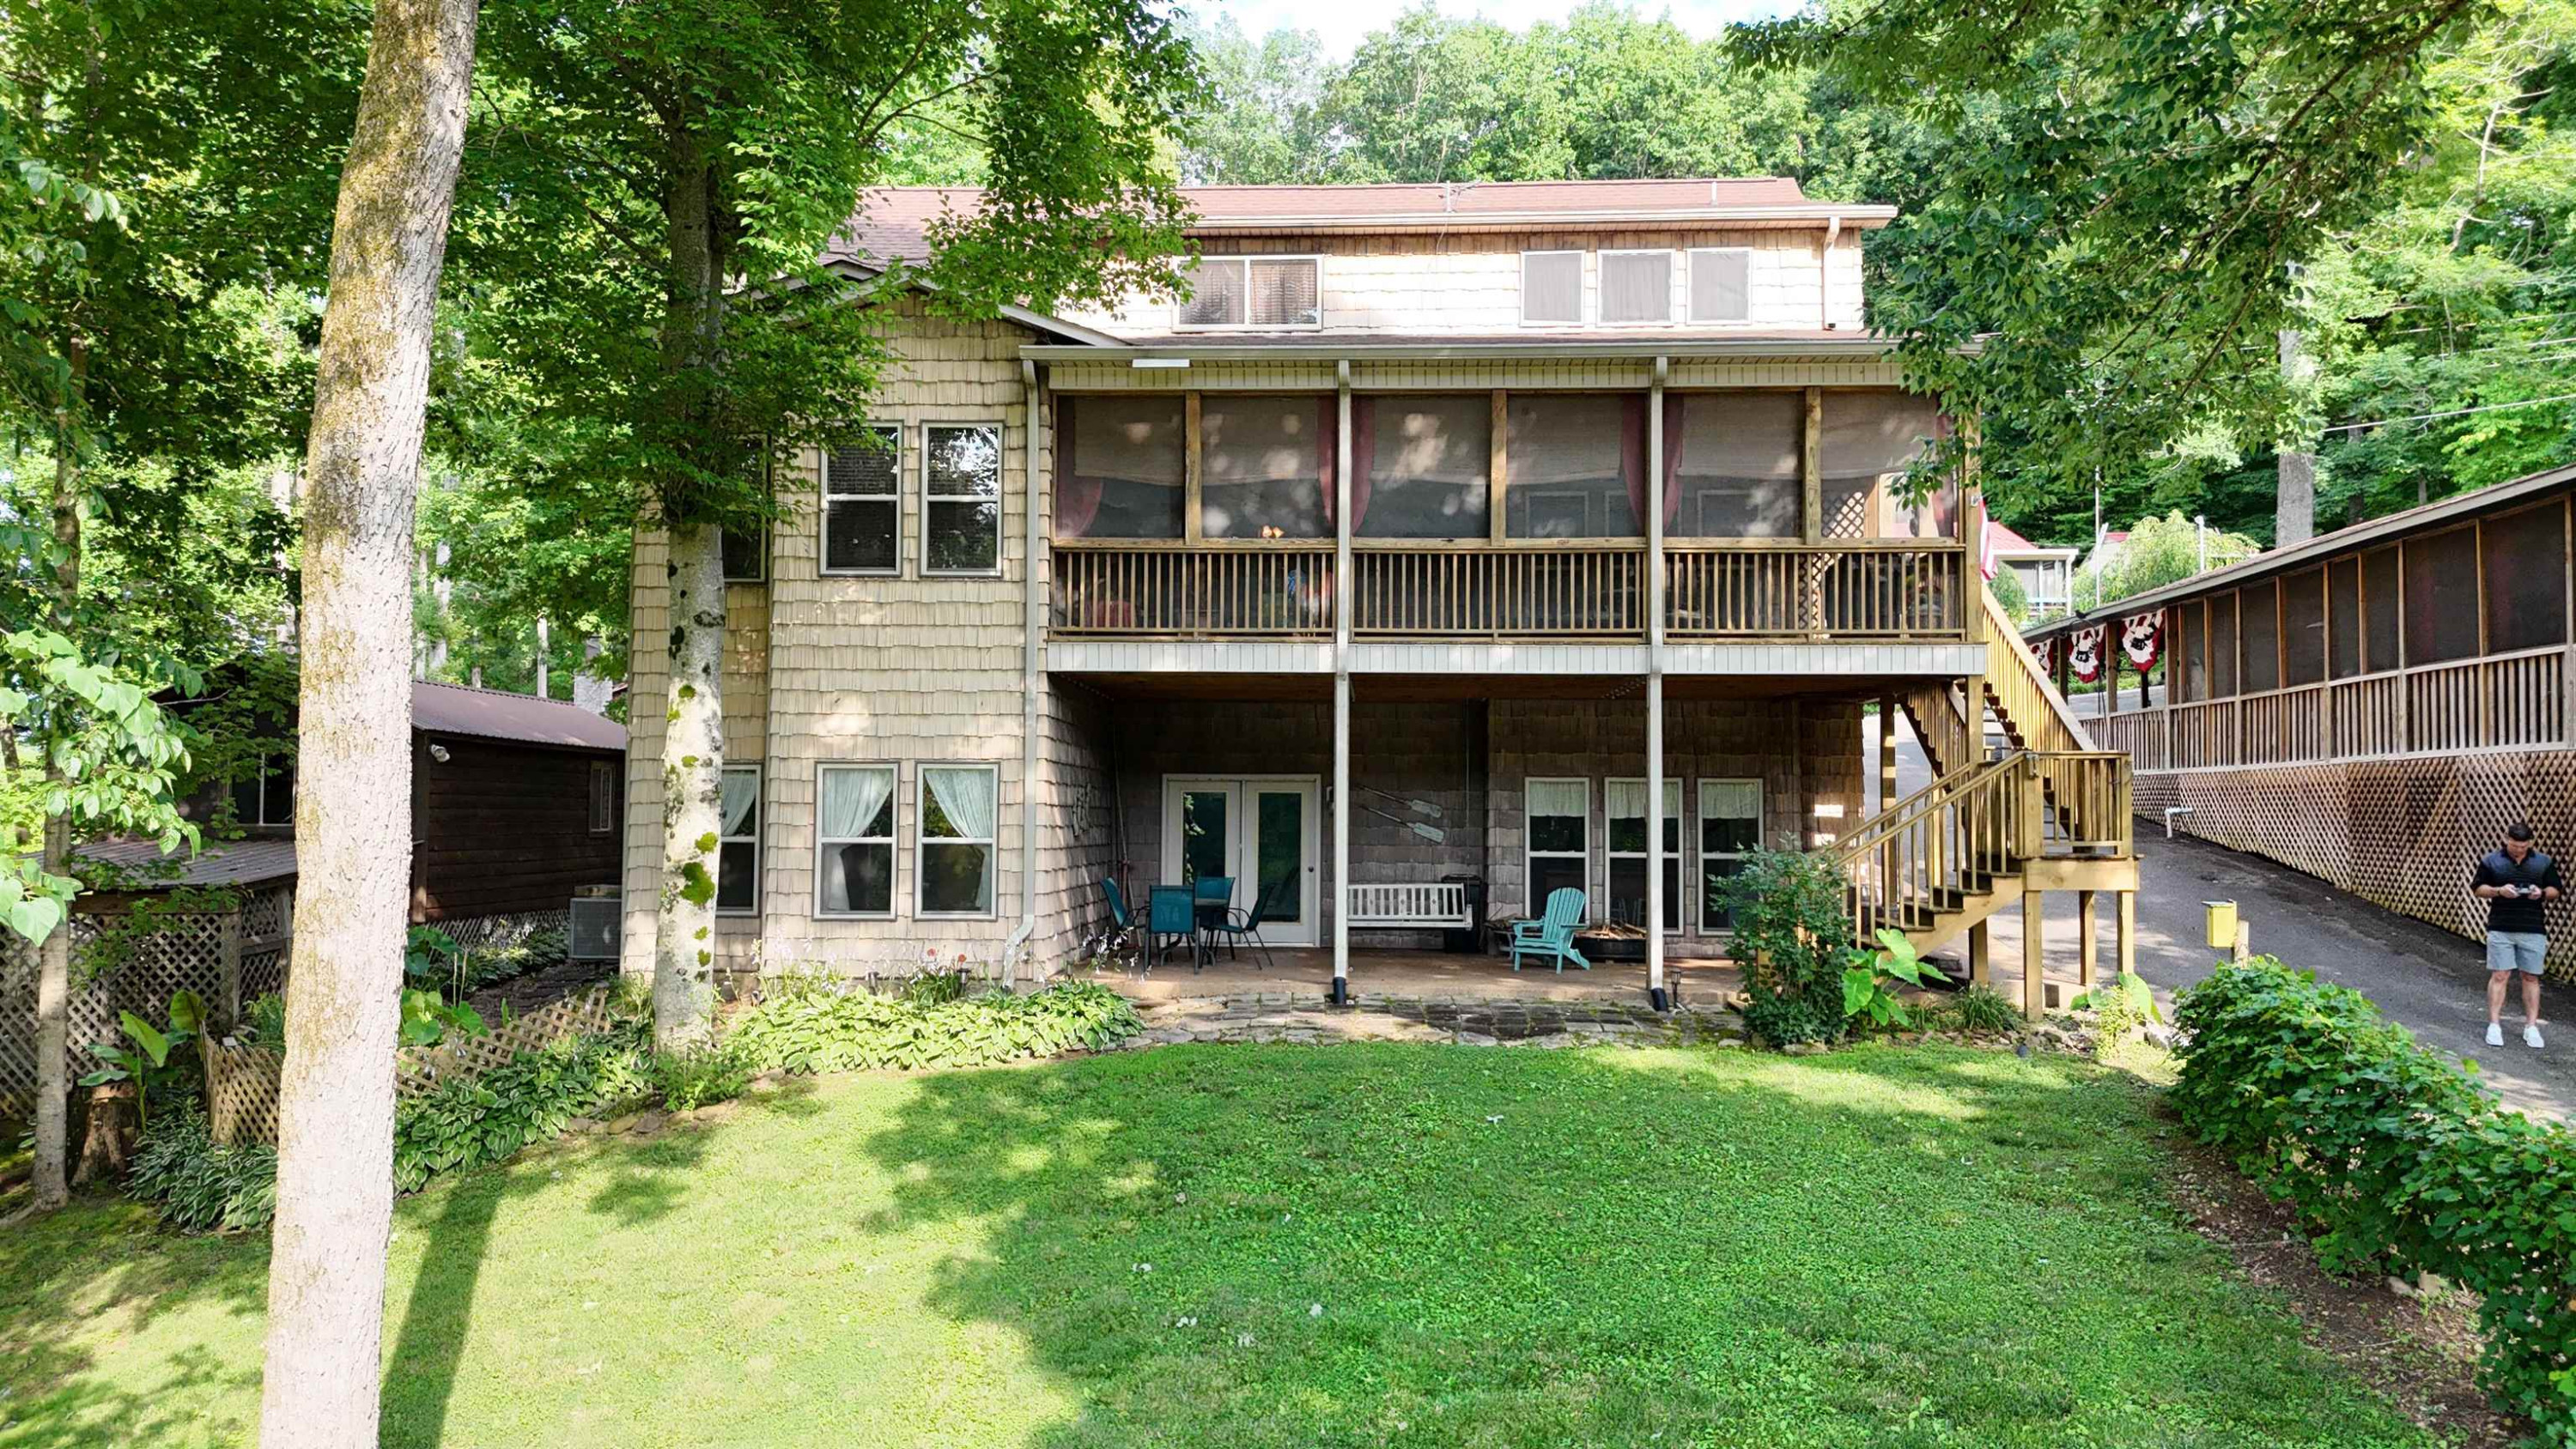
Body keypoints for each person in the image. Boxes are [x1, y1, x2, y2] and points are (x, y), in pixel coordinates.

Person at [2471, 822, 2558, 1049]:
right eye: (2513, 844)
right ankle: (2494, 1025)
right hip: (2501, 926)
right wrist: (2499, 891)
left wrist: (2540, 893)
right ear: (2506, 839)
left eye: (2522, 846)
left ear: (2530, 843)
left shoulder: (2543, 862)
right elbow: (2478, 889)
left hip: (2533, 927)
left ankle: (2531, 1027)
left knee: (2531, 977)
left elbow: (2555, 890)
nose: (2518, 849)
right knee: (2500, 975)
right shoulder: (2492, 861)